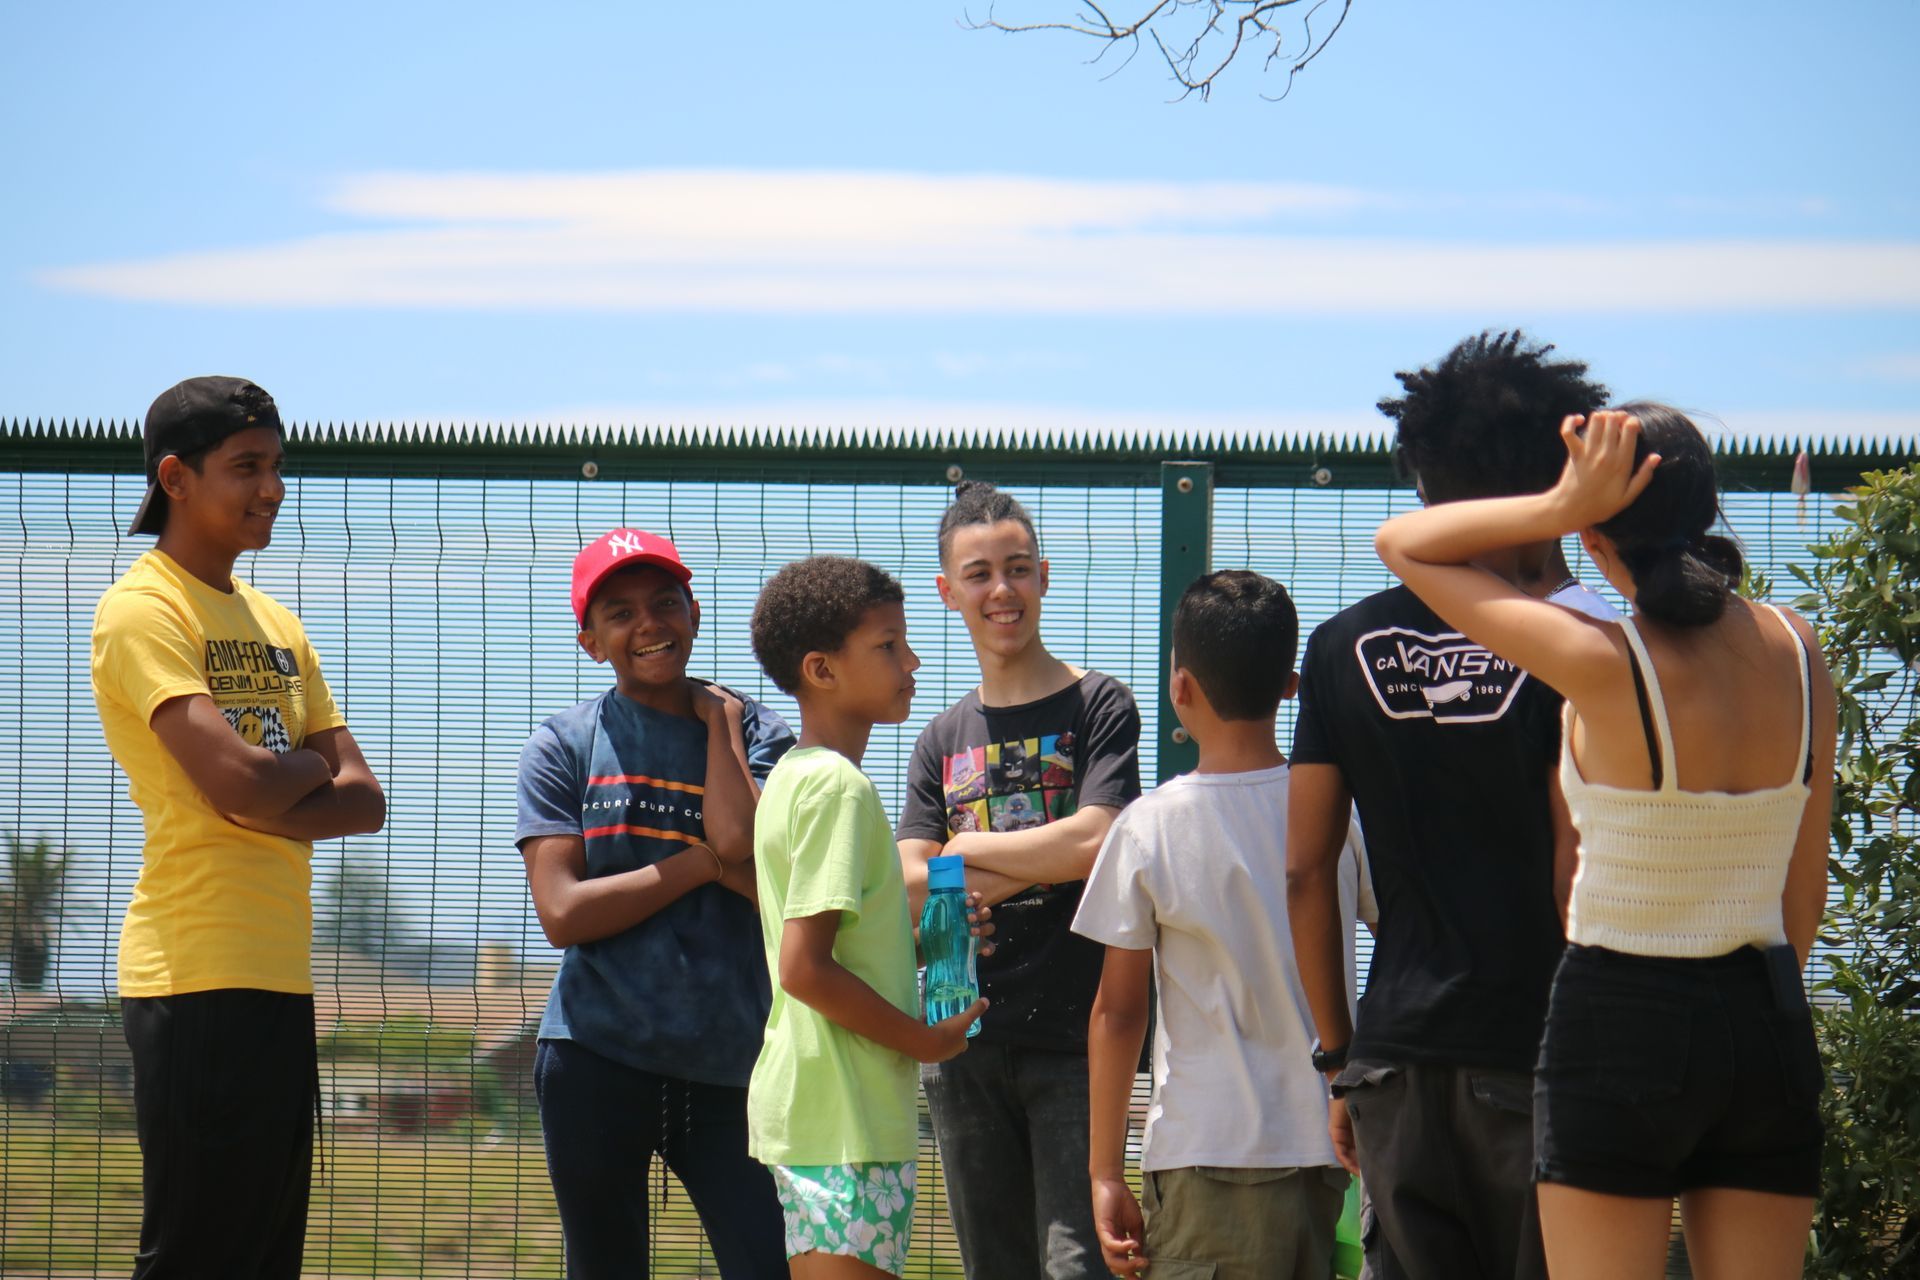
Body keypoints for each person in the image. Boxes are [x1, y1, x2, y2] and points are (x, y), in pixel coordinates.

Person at [1375, 407, 1835, 1280]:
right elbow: (1802, 898)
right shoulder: (1798, 650)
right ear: (1706, 509)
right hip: (1765, 1016)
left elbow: (1405, 543)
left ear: (1593, 534)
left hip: (1622, 1017)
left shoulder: (1601, 659)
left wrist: (1558, 501)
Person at [1287, 331, 1609, 1280]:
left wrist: (1338, 1059)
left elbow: (1308, 868)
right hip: (1540, 1052)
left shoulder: (1343, 647)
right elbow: (1577, 872)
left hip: (1393, 1056)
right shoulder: (1586, 644)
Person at [91, 376, 386, 1278]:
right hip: (191, 976)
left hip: (277, 978)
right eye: (246, 467)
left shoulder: (276, 622)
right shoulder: (144, 610)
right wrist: (299, 770)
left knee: (264, 1257)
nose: (272, 489)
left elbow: (366, 798)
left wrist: (272, 781)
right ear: (175, 478)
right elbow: (239, 787)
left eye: (277, 466)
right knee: (196, 1254)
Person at [1074, 571, 1373, 1280]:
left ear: (1180, 688)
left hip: (1204, 1155)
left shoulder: (1148, 827)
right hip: (1332, 1148)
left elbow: (1119, 1014)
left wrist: (1103, 1173)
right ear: (1291, 686)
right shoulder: (1341, 812)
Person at [516, 527, 794, 1277]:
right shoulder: (563, 747)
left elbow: (764, 868)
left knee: (771, 1264)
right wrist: (699, 864)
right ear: (589, 639)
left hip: (732, 1064)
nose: (649, 625)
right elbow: (564, 914)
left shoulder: (759, 734)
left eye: (666, 603)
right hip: (595, 1054)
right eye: (620, 612)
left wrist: (722, 724)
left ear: (694, 614)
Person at [895, 481, 1143, 1280]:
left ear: (1044, 575)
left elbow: (1099, 840)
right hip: (962, 1037)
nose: (1000, 590)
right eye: (978, 574)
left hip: (1079, 1039)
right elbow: (906, 882)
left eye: (1017, 567)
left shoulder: (1099, 703)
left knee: (1080, 1267)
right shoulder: (938, 738)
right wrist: (1011, 861)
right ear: (947, 592)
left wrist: (961, 864)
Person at [746, 555, 990, 1278]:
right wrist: (924, 1040)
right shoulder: (837, 789)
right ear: (820, 670)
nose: (911, 659)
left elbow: (834, 954)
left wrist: (920, 945)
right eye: (887, 645)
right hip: (843, 1119)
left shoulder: (796, 776)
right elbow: (805, 970)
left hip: (827, 1113)